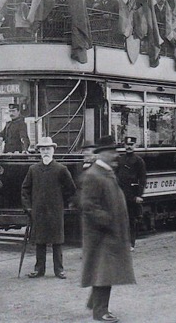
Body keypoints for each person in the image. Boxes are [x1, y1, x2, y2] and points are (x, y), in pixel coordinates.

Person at [81, 135, 135, 322]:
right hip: (101, 235)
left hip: (110, 233)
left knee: (105, 272)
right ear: (101, 154)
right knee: (104, 272)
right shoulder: (94, 175)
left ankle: (94, 304)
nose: (115, 155)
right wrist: (108, 221)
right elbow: (88, 206)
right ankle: (100, 312)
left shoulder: (106, 172)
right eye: (111, 152)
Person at [21, 137, 76, 279]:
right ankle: (39, 269)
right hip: (38, 212)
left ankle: (59, 270)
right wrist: (28, 207)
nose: (45, 152)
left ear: (53, 150)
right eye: (43, 149)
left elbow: (71, 189)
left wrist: (61, 203)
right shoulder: (33, 169)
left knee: (57, 241)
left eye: (48, 149)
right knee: (40, 241)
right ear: (39, 151)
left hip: (55, 212)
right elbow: (25, 189)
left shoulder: (61, 169)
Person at [116, 136, 146, 251]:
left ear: (135, 146)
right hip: (121, 194)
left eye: (131, 145)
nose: (129, 147)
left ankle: (131, 243)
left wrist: (139, 195)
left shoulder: (139, 161)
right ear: (124, 146)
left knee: (131, 219)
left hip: (132, 195)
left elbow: (142, 179)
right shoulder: (120, 160)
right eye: (127, 145)